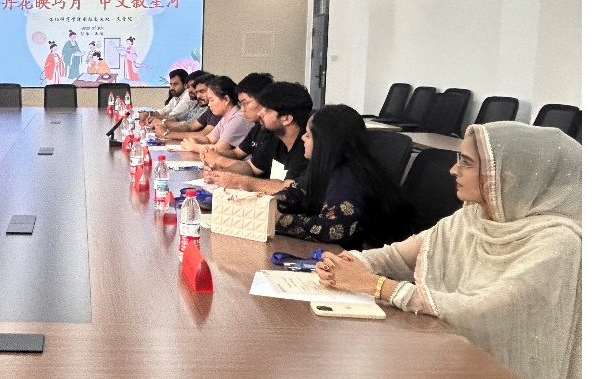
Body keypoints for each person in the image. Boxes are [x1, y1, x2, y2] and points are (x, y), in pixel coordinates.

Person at [316, 122, 582, 379]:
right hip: (454, 349)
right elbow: (398, 256)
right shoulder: (474, 216)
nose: (454, 170)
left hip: (503, 368)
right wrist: (349, 262)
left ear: (504, 177)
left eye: (466, 162)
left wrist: (377, 286)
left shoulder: (558, 242)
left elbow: (481, 311)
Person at [271, 105, 413, 248]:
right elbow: (294, 193)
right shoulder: (324, 167)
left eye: (308, 135)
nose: (302, 137)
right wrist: (265, 204)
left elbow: (332, 229)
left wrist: (278, 219)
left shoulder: (347, 178)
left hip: (364, 253)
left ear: (324, 143)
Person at [203, 80, 311, 192]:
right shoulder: (275, 137)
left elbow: (288, 187)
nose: (260, 113)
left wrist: (239, 181)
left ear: (286, 119)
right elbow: (251, 167)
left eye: (267, 110)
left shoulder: (306, 146)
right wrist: (221, 172)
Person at [180, 75, 255, 152]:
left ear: (226, 99)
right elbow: (209, 139)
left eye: (212, 100)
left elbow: (221, 148)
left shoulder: (238, 119)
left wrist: (194, 147)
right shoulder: (226, 117)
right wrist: (192, 140)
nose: (209, 104)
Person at [154, 72, 218, 140]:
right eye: (197, 92)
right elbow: (190, 126)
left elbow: (204, 136)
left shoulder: (217, 111)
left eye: (202, 91)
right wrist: (162, 125)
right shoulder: (208, 108)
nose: (198, 96)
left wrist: (166, 134)